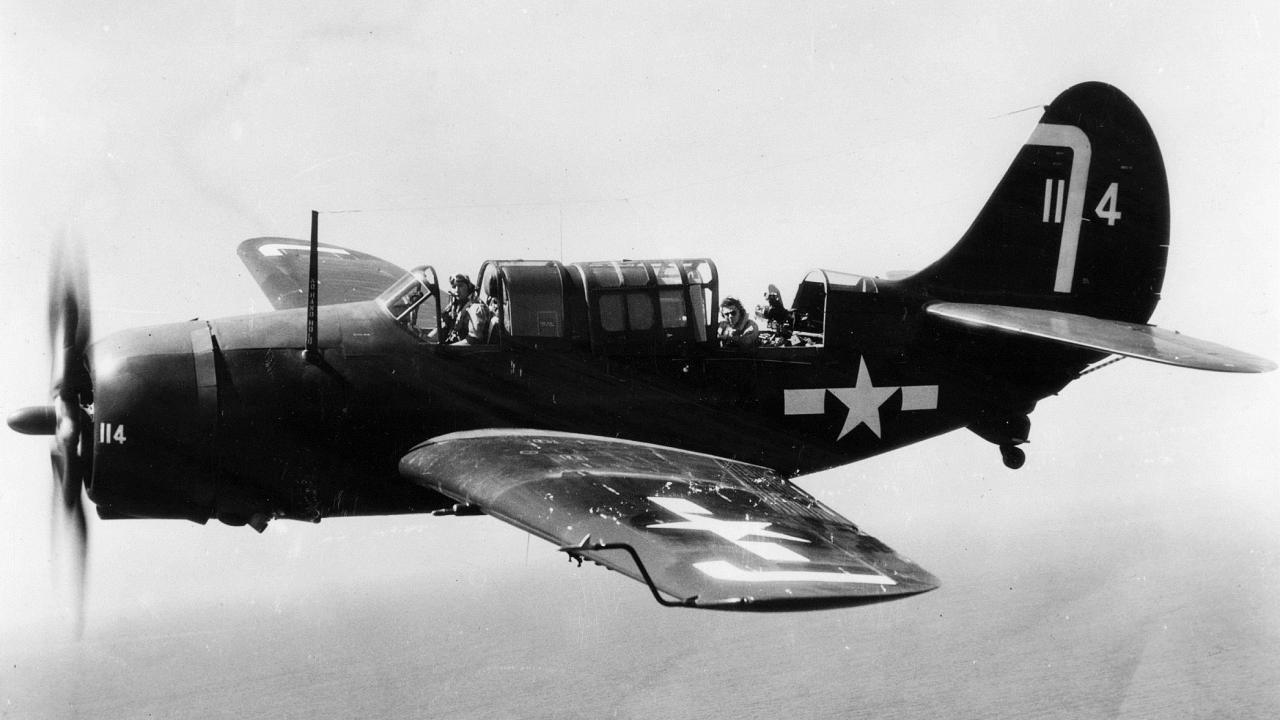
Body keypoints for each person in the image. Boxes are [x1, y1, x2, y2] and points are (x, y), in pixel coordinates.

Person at [443, 273, 490, 344]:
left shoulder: (476, 308)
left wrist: (446, 348)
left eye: (460, 286)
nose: (457, 290)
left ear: (468, 287)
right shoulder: (454, 308)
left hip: (468, 350)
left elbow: (473, 341)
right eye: (454, 286)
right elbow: (442, 329)